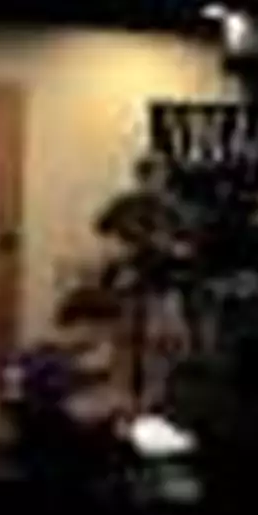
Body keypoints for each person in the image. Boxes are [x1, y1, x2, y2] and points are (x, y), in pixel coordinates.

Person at [93, 154, 193, 412]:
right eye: (151, 176)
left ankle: (154, 398)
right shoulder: (125, 205)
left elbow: (187, 247)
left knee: (162, 342)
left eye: (160, 176)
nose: (156, 182)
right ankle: (124, 398)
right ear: (141, 178)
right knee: (126, 341)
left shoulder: (173, 209)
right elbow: (104, 233)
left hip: (162, 282)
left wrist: (171, 248)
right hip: (130, 281)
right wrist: (120, 254)